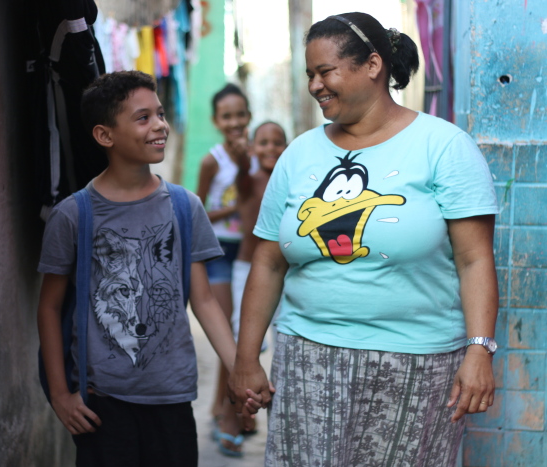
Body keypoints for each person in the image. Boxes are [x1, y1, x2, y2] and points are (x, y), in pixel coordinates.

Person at [229, 12, 499, 466]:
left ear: (373, 66)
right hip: (307, 360)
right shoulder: (300, 153)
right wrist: (246, 357)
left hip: (417, 363)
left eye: (326, 72)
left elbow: (474, 260)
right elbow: (268, 262)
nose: (315, 85)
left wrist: (479, 350)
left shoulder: (445, 147)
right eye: (310, 75)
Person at [37, 70, 239, 467]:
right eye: (143, 117)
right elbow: (48, 307)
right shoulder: (73, 215)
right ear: (104, 135)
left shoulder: (185, 207)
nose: (160, 125)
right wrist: (61, 395)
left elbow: (204, 301)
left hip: (172, 396)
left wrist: (240, 369)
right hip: (101, 401)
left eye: (160, 114)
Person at [195, 83, 252, 456]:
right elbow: (197, 209)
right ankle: (222, 409)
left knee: (242, 334)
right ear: (217, 121)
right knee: (225, 335)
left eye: (240, 114)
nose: (234, 121)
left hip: (245, 252)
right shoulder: (212, 160)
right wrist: (232, 211)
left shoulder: (256, 154)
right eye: (226, 116)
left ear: (248, 115)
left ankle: (231, 407)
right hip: (216, 251)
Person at [231, 121, 287, 345]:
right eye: (263, 143)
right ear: (252, 148)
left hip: (282, 269)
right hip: (247, 268)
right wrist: (241, 157)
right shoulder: (248, 182)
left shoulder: (290, 183)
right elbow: (242, 169)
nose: (271, 148)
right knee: (243, 337)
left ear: (288, 147)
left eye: (277, 143)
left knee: (281, 333)